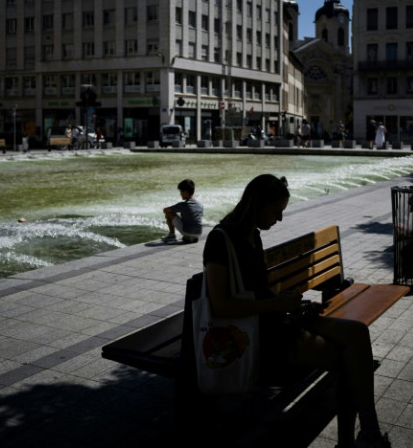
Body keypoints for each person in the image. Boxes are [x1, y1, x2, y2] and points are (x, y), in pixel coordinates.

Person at [203, 174, 390, 448]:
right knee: (347, 358)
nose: (279, 219)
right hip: (257, 336)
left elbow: (259, 290)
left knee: (357, 333)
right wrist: (278, 304)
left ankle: (369, 430)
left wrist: (296, 306)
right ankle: (351, 441)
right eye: (276, 211)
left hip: (277, 320)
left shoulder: (252, 234)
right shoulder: (220, 240)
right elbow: (220, 306)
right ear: (257, 204)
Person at [162, 179, 204, 244]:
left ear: (186, 192)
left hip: (188, 232)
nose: (180, 194)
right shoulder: (199, 204)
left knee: (169, 213)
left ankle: (172, 236)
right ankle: (192, 237)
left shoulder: (183, 205)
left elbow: (165, 210)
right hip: (199, 233)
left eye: (181, 192)